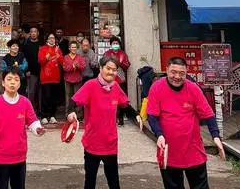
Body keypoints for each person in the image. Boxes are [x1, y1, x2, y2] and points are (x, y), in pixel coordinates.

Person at [147, 56, 225, 189]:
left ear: (186, 73)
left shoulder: (193, 88)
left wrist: (215, 135)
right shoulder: (157, 87)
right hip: (168, 151)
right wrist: (159, 134)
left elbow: (208, 114)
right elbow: (152, 116)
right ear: (167, 69)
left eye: (182, 73)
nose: (177, 77)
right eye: (173, 72)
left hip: (193, 150)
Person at [66, 55, 143, 189]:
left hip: (110, 142)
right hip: (92, 142)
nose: (111, 72)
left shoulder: (116, 87)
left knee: (114, 182)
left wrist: (136, 115)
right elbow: (74, 100)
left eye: (114, 70)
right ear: (101, 68)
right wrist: (71, 112)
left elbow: (124, 105)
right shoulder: (91, 85)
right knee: (90, 181)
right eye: (108, 68)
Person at [0, 67, 46, 189]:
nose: (13, 82)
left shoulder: (25, 102)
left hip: (19, 156)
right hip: (0, 157)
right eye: (9, 79)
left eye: (16, 80)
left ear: (20, 84)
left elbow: (33, 121)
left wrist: (38, 129)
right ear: (3, 83)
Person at [38, 33, 63, 124]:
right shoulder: (42, 49)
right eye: (50, 38)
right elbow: (40, 62)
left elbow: (62, 62)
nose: (52, 39)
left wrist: (58, 55)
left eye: (53, 38)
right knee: (46, 97)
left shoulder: (58, 49)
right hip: (45, 77)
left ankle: (52, 115)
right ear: (47, 39)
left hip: (56, 77)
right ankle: (44, 116)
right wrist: (46, 57)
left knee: (54, 97)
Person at [108, 37, 131, 126]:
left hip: (121, 80)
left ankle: (121, 117)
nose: (115, 45)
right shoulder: (107, 54)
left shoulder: (123, 54)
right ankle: (112, 118)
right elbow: (104, 64)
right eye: (113, 43)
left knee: (121, 99)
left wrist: (121, 63)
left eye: (117, 43)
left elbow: (127, 64)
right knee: (110, 100)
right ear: (111, 45)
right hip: (110, 80)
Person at [21, 26, 42, 116]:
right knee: (31, 92)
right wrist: (27, 70)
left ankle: (40, 110)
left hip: (42, 72)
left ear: (38, 33)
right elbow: (24, 59)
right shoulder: (26, 45)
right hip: (31, 72)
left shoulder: (41, 44)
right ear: (30, 34)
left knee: (40, 92)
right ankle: (31, 111)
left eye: (35, 32)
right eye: (32, 32)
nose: (33, 33)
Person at [63, 40, 87, 106]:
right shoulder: (66, 57)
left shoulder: (80, 57)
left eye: (75, 47)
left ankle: (78, 111)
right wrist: (72, 66)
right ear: (69, 48)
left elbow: (83, 67)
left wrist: (78, 66)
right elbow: (65, 68)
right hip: (68, 80)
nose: (74, 49)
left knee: (77, 97)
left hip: (77, 80)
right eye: (72, 47)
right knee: (68, 97)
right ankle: (68, 111)